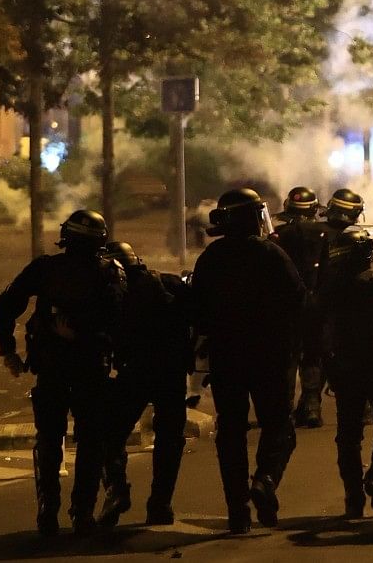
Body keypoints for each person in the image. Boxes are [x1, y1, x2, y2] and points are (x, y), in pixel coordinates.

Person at [0, 210, 127, 537]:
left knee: (50, 441)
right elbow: (121, 322)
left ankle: (47, 512)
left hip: (51, 370)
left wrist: (8, 350)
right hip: (90, 371)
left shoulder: (45, 268)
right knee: (90, 443)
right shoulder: (111, 272)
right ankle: (82, 513)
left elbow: (6, 304)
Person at [190, 188, 305, 533]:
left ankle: (237, 510)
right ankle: (266, 479)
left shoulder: (211, 258)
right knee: (278, 425)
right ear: (253, 217)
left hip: (227, 357)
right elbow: (298, 300)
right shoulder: (273, 254)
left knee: (232, 433)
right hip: (270, 356)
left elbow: (197, 310)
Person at [99, 240, 193, 527]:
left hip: (133, 372)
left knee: (111, 434)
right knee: (170, 439)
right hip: (171, 374)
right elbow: (197, 316)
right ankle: (160, 504)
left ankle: (117, 488)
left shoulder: (111, 294)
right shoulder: (168, 283)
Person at [319, 221, 373, 518]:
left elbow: (318, 330)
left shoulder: (330, 293)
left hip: (346, 371)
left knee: (348, 435)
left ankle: (353, 498)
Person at [269, 186, 333, 428]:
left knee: (287, 358)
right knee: (312, 356)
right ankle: (311, 407)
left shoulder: (277, 235)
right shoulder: (324, 234)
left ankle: (283, 411)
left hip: (285, 306)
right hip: (315, 305)